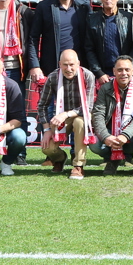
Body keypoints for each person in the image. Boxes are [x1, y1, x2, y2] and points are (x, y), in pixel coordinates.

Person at [39, 49, 96, 180]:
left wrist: (66, 114)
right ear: (60, 64)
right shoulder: (53, 77)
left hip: (82, 116)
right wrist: (47, 130)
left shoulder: (88, 76)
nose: (68, 69)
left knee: (79, 122)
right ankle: (60, 158)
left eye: (71, 65)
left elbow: (88, 107)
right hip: (61, 118)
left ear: (78, 64)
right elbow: (42, 105)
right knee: (47, 148)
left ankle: (78, 165)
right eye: (65, 65)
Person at [91, 56, 133, 177]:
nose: (123, 73)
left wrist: (125, 134)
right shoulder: (105, 88)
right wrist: (105, 136)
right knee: (94, 142)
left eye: (127, 70)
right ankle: (112, 160)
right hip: (110, 132)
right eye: (119, 70)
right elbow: (98, 114)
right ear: (114, 71)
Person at [27, 0, 91, 82]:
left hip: (78, 67)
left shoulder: (84, 6)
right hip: (52, 67)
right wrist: (35, 65)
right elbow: (33, 38)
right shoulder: (44, 7)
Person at [83, 0, 133, 82]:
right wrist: (99, 73)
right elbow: (89, 49)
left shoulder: (129, 18)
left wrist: (127, 68)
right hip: (103, 75)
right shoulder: (92, 20)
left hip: (125, 74)